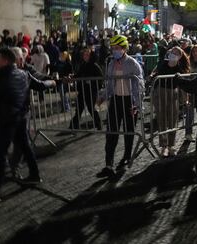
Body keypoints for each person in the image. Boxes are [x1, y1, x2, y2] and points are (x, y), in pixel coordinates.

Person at [0, 48, 44, 201]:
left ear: (5, 60)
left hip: (7, 119)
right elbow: (38, 85)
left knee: (0, 153)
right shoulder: (23, 74)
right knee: (25, 146)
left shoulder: (2, 77)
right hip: (20, 116)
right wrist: (52, 82)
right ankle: (34, 174)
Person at [96, 35, 144, 178]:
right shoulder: (111, 64)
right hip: (116, 101)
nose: (114, 51)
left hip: (130, 102)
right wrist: (102, 96)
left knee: (129, 131)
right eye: (113, 48)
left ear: (124, 49)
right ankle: (108, 164)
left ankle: (127, 156)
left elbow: (140, 85)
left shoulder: (133, 63)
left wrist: (137, 104)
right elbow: (109, 84)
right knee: (111, 132)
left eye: (117, 48)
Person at [8, 47, 56, 180]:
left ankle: (27, 172)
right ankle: (20, 169)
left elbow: (39, 82)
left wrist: (51, 81)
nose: (23, 59)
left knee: (21, 143)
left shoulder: (24, 72)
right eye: (20, 57)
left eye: (23, 57)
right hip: (12, 113)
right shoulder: (9, 72)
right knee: (19, 143)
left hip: (21, 113)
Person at [152, 46, 190, 157]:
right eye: (173, 52)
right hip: (160, 93)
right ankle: (163, 146)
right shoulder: (162, 64)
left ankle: (171, 145)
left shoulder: (180, 68)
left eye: (177, 53)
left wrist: (185, 99)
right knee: (161, 120)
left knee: (172, 121)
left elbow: (183, 84)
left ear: (180, 56)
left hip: (173, 94)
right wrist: (152, 76)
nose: (174, 54)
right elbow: (155, 72)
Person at [69, 48, 103, 130]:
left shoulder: (95, 66)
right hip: (83, 90)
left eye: (87, 55)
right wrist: (72, 77)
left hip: (91, 90)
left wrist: (93, 84)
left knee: (91, 107)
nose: (85, 56)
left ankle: (98, 123)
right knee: (79, 108)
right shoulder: (83, 65)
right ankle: (73, 125)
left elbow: (100, 78)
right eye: (84, 55)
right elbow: (79, 74)